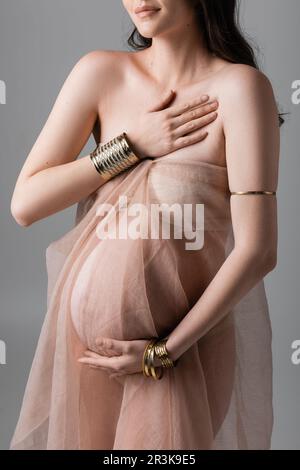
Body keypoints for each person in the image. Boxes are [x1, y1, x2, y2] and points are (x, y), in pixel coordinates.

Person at [9, 0, 280, 450]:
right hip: (86, 350)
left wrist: (162, 354)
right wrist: (131, 145)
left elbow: (258, 251)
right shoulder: (100, 73)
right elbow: (26, 204)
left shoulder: (241, 89)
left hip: (178, 351)